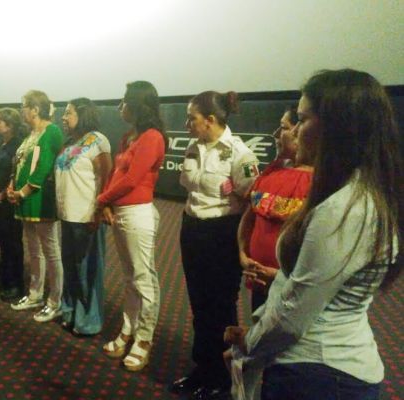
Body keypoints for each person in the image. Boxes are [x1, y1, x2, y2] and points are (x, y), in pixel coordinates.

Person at [225, 69, 402, 400]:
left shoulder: (346, 209)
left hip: (320, 375)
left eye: (302, 119)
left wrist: (248, 345)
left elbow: (293, 315)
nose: (293, 131)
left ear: (336, 129)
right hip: (315, 369)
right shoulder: (348, 195)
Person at [170, 91, 259, 399]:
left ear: (210, 120)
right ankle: (202, 368)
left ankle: (221, 375)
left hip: (222, 233)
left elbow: (252, 202)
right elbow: (190, 187)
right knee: (199, 304)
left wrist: (242, 246)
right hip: (192, 228)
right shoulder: (193, 147)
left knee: (220, 306)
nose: (186, 124)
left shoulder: (240, 154)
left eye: (191, 118)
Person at [97, 81, 166, 372]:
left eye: (125, 100)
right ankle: (128, 330)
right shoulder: (129, 137)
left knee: (143, 279)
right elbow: (116, 174)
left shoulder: (152, 137)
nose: (120, 106)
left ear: (138, 104)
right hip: (121, 213)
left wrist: (100, 200)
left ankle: (144, 339)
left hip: (138, 215)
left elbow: (132, 179)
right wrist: (107, 203)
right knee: (129, 278)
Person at [238, 107, 314, 311]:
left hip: (293, 290)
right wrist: (243, 255)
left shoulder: (321, 184)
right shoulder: (272, 171)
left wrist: (280, 276)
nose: (276, 134)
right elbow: (249, 218)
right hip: (257, 279)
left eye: (283, 127)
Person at [55, 98, 112, 336]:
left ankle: (88, 320)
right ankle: (70, 312)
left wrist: (99, 210)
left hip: (87, 216)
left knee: (87, 270)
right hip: (67, 215)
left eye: (68, 113)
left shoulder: (98, 140)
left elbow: (106, 177)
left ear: (83, 114)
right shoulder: (69, 142)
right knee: (70, 267)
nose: (63, 117)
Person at [8, 90, 65, 323]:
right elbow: (20, 163)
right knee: (34, 251)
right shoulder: (31, 133)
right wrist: (12, 187)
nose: (21, 110)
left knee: (51, 252)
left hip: (41, 200)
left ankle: (55, 302)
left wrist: (22, 192)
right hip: (25, 200)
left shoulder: (52, 131)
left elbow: (44, 168)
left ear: (35, 109)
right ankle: (35, 294)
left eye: (24, 106)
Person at [0, 108, 27, 302]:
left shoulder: (17, 146)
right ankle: (4, 278)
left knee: (13, 243)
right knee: (3, 241)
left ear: (10, 125)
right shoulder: (1, 144)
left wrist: (0, 196)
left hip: (9, 201)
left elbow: (15, 177)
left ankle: (16, 284)